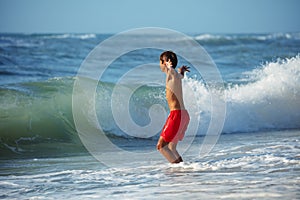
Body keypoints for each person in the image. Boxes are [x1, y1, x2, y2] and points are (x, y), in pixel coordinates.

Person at [156, 51, 190, 163]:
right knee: (171, 148)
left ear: (164, 62)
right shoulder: (176, 75)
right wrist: (182, 72)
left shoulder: (171, 73)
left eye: (160, 62)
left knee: (161, 146)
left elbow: (172, 72)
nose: (159, 65)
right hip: (183, 115)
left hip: (177, 115)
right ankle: (182, 170)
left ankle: (179, 170)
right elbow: (180, 76)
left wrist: (170, 67)